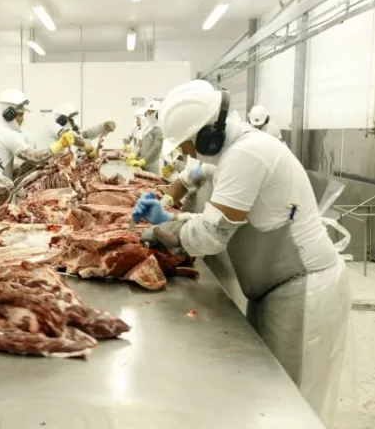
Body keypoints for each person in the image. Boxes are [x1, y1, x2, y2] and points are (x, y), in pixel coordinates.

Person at [133, 80, 349, 426]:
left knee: (291, 405)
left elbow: (213, 234)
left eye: (188, 143)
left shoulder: (247, 154)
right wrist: (169, 211)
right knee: (264, 393)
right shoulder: (232, 151)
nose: (187, 152)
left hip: (303, 288)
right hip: (273, 287)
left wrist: (164, 229)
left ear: (208, 135)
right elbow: (199, 190)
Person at [0, 88, 76, 206]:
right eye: (20, 115)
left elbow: (2, 169)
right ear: (9, 114)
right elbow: (34, 157)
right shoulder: (6, 134)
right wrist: (59, 145)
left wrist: (27, 168)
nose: (22, 118)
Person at [38, 102, 115, 152]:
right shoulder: (52, 126)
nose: (73, 123)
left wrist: (102, 127)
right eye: (71, 120)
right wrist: (85, 145)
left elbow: (83, 135)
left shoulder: (66, 127)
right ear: (62, 120)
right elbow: (74, 138)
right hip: (48, 167)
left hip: (61, 164)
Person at [126, 100, 164, 175]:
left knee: (153, 184)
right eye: (148, 111)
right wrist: (135, 154)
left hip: (152, 164)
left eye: (152, 111)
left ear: (158, 113)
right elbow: (141, 144)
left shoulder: (158, 129)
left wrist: (144, 160)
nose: (149, 114)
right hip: (144, 162)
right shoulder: (147, 128)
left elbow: (156, 148)